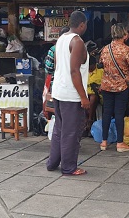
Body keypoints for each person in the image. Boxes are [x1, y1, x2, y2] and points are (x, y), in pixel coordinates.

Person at [47, 11, 89, 176]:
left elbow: (58, 66)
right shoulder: (77, 41)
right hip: (71, 94)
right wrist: (83, 97)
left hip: (58, 91)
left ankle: (52, 162)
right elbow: (74, 71)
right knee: (71, 132)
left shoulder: (61, 39)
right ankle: (69, 167)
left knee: (59, 129)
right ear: (82, 25)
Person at [99, 23, 129, 152]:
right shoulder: (127, 50)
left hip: (106, 86)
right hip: (121, 87)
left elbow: (101, 64)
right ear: (124, 34)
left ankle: (104, 142)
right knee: (119, 114)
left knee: (106, 113)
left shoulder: (105, 49)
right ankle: (120, 143)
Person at [86, 56, 103, 135]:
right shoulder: (83, 72)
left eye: (90, 66)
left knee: (93, 98)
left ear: (94, 65)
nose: (89, 68)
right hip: (85, 95)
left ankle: (90, 121)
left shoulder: (101, 71)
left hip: (98, 96)